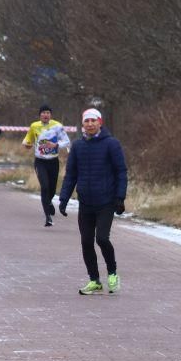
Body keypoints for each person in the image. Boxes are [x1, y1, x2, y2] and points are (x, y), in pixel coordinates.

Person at [58, 108, 128, 296]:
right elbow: (71, 174)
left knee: (102, 239)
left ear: (100, 123)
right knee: (86, 242)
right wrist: (63, 199)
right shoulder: (78, 146)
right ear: (83, 124)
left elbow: (121, 171)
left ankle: (112, 273)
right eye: (86, 121)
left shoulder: (111, 144)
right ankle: (94, 280)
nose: (90, 124)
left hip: (106, 201)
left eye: (93, 121)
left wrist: (120, 197)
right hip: (86, 202)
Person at [22, 104, 70, 227]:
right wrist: (27, 144)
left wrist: (56, 145)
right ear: (40, 115)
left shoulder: (57, 126)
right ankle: (48, 217)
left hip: (53, 161)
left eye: (48, 113)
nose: (45, 115)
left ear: (51, 115)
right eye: (43, 113)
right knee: (45, 186)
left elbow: (67, 141)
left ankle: (48, 202)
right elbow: (28, 141)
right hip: (40, 161)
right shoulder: (34, 126)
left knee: (52, 189)